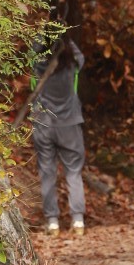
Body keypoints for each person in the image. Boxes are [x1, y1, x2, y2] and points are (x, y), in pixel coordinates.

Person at [31, 34, 86, 234]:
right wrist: (65, 34)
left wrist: (44, 33)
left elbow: (32, 52)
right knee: (73, 171)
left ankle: (52, 222)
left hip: (43, 123)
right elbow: (80, 56)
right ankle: (78, 220)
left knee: (47, 172)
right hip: (69, 123)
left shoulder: (38, 66)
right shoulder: (72, 65)